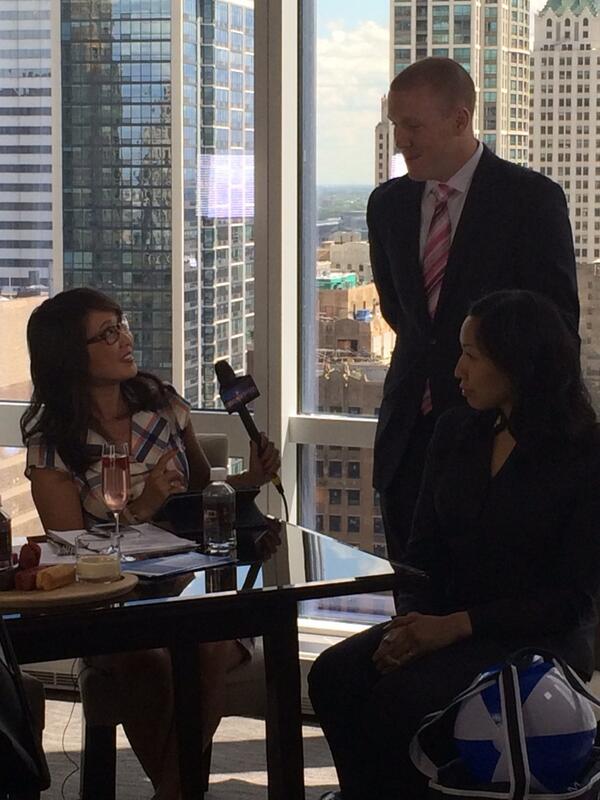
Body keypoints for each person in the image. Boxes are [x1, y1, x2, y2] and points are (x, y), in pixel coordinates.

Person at [309, 290, 600, 800]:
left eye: (471, 355)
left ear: (516, 362)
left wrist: (453, 627)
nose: (457, 370)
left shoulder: (584, 452)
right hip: (443, 623)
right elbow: (421, 555)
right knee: (333, 674)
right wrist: (412, 624)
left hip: (534, 638)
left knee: (399, 702)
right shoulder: (455, 431)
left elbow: (572, 602)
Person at [20, 287, 280, 800]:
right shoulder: (53, 442)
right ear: (71, 354)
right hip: (113, 603)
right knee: (145, 660)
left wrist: (249, 478)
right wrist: (144, 506)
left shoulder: (163, 406)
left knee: (206, 642)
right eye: (108, 333)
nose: (126, 339)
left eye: (122, 324)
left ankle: (169, 793)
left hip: (193, 585)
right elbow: (69, 547)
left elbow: (204, 496)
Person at [368, 57, 579, 563]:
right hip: (406, 443)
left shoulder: (531, 200)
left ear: (460, 120)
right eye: (395, 125)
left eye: (413, 125)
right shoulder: (387, 205)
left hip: (496, 441)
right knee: (410, 594)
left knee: (481, 593)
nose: (401, 140)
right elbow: (402, 315)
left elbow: (555, 327)